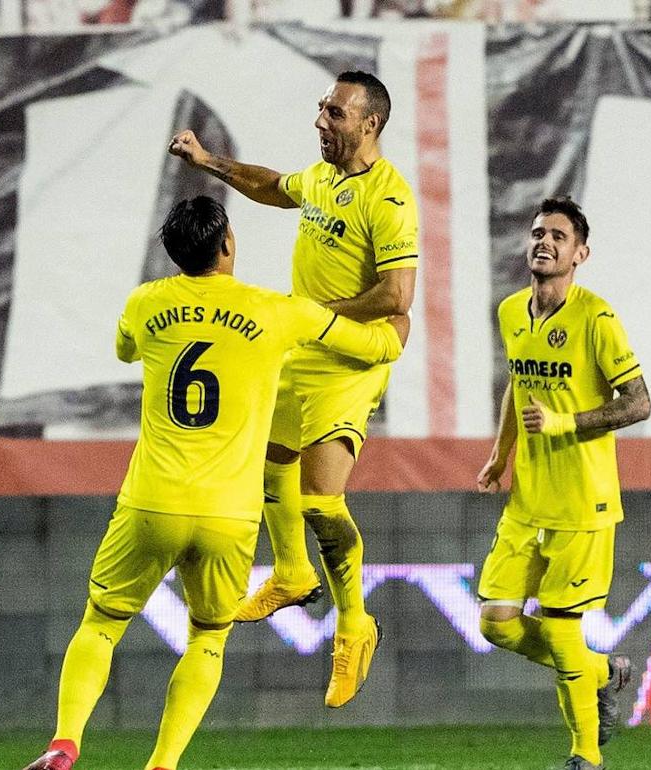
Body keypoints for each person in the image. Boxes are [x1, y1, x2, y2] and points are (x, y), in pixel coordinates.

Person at [19, 196, 408, 770]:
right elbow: (379, 344)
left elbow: (124, 348)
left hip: (152, 501)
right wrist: (395, 321)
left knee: (101, 625)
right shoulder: (278, 311)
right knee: (206, 637)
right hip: (230, 514)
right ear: (227, 243)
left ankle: (65, 742)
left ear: (175, 253)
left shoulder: (147, 302)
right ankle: (163, 763)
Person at [167, 70, 418, 708]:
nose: (321, 122)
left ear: (371, 124)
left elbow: (396, 297)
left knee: (321, 504)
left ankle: (356, 626)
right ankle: (291, 570)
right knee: (269, 459)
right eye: (321, 109)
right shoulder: (323, 178)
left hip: (349, 360)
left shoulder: (389, 200)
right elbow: (276, 188)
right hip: (306, 344)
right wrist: (208, 161)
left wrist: (318, 316)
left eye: (335, 114)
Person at [475, 197, 651, 770]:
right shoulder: (510, 313)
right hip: (528, 501)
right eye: (537, 232)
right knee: (496, 623)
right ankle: (601, 672)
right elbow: (517, 385)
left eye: (557, 235)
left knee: (560, 629)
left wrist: (566, 422)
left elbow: (640, 404)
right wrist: (500, 455)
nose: (543, 241)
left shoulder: (596, 319)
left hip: (582, 504)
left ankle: (586, 757)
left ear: (581, 253)